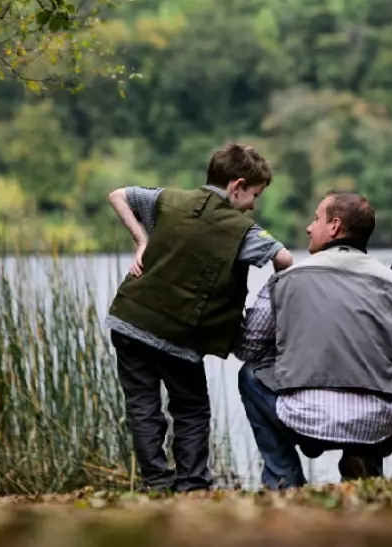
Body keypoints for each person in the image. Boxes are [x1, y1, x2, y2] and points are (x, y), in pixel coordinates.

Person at [104, 143, 293, 494]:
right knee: (190, 410)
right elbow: (284, 259)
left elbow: (118, 195)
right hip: (178, 335)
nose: (253, 204)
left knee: (143, 405)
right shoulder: (242, 230)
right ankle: (191, 487)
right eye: (254, 194)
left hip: (128, 320)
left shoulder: (169, 199)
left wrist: (141, 241)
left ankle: (156, 484)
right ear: (236, 186)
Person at [232, 191, 392, 489]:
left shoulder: (285, 279)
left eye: (315, 218)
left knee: (249, 377)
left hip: (301, 420)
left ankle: (285, 481)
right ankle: (363, 467)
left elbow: (248, 349)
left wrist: (286, 350)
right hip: (376, 424)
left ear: (334, 227)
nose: (309, 227)